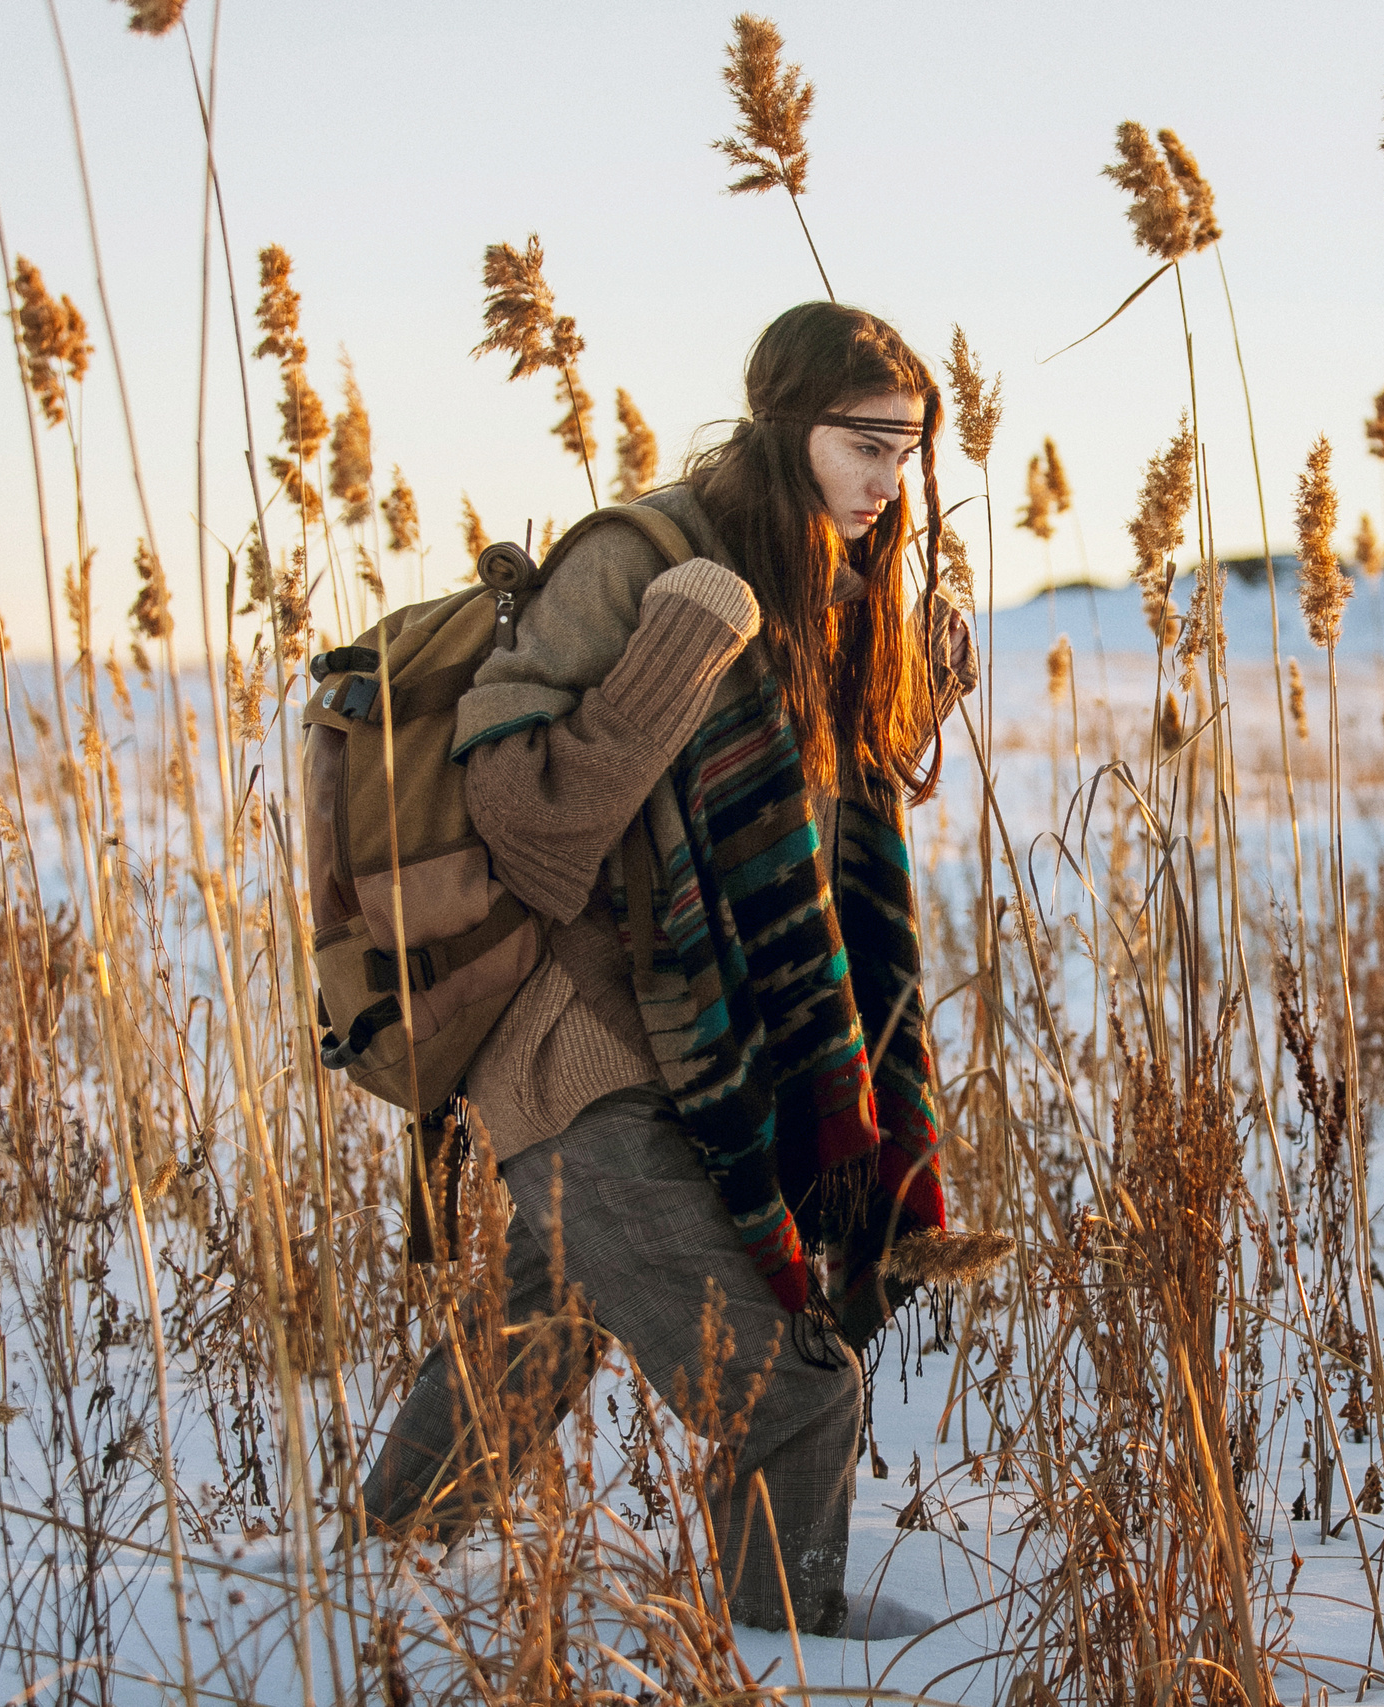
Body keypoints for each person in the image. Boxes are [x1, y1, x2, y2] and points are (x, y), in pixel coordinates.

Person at [356, 301, 976, 1640]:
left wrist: (916, 687)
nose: (891, 479)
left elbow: (775, 813)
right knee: (800, 1395)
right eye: (868, 444)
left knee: (539, 1326)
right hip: (583, 1056)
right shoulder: (638, 563)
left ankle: (369, 1579)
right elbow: (529, 826)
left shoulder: (826, 582)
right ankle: (781, 1655)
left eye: (910, 451)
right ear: (786, 424)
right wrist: (676, 656)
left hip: (710, 1059)